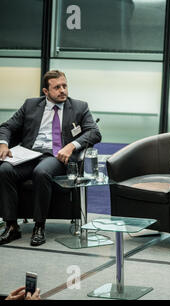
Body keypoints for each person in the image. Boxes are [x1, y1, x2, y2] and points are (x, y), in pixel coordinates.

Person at [0, 70, 101, 247]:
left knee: (42, 172)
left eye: (64, 86)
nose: (62, 90)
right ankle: (11, 225)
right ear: (46, 92)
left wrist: (71, 146)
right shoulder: (31, 105)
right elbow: (7, 126)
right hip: (29, 154)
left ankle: (39, 226)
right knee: (5, 170)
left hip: (57, 156)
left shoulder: (79, 107)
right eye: (57, 87)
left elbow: (94, 132)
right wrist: (3, 144)